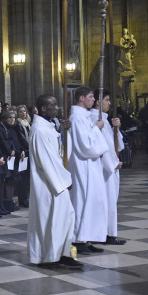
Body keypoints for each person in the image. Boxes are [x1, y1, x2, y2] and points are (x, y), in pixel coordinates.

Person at [26, 96, 82, 269]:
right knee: (51, 220)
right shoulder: (39, 130)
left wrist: (66, 133)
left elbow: (62, 154)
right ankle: (49, 257)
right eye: (53, 105)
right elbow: (47, 161)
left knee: (66, 218)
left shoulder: (49, 127)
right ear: (42, 109)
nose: (57, 108)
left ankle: (65, 253)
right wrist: (65, 180)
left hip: (57, 181)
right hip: (49, 184)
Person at [67, 86, 108, 255]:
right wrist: (97, 129)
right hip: (82, 165)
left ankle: (86, 237)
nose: (94, 100)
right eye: (91, 97)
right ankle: (77, 238)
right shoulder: (76, 117)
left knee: (91, 201)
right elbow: (85, 144)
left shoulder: (84, 116)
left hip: (90, 165)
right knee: (82, 200)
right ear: (81, 98)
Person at [91, 89, 126, 245]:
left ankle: (109, 232)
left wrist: (117, 128)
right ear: (98, 101)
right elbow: (100, 147)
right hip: (104, 169)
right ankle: (105, 234)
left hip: (111, 167)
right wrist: (112, 163)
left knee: (111, 201)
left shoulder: (105, 119)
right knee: (106, 201)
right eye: (107, 100)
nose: (109, 103)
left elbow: (114, 144)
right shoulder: (95, 118)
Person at [15, 105, 32, 207]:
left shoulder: (27, 123)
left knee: (27, 178)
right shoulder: (18, 124)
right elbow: (22, 139)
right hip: (24, 153)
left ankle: (26, 199)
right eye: (21, 111)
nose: (23, 113)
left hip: (28, 152)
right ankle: (23, 200)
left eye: (24, 111)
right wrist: (30, 147)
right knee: (23, 179)